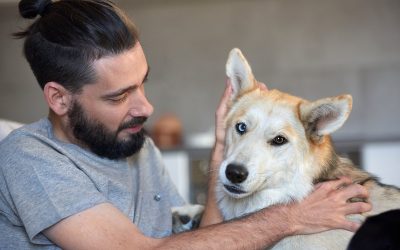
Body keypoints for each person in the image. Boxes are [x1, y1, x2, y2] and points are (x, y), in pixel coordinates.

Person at [0, 0, 371, 249]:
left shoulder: (137, 148)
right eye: (119, 96)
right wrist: (291, 217)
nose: (146, 106)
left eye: (143, 82)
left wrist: (225, 141)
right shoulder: (29, 157)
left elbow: (207, 239)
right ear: (59, 98)